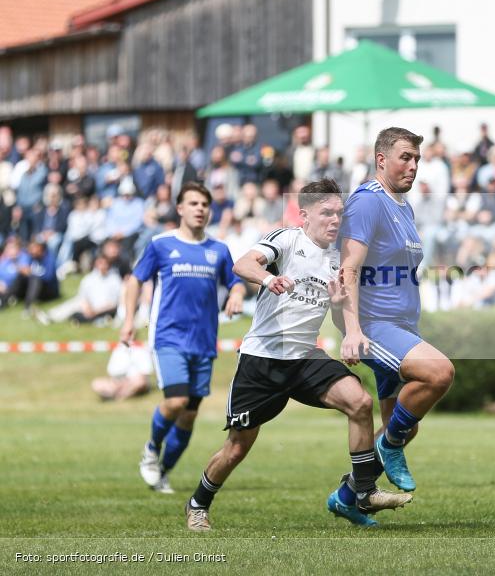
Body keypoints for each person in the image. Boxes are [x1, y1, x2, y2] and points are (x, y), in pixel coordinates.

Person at [184, 180, 411, 532]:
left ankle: (363, 489)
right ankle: (198, 503)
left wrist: (344, 319)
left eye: (339, 212)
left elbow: (341, 307)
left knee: (360, 402)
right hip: (263, 361)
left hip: (305, 358)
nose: (335, 219)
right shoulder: (288, 240)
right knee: (237, 447)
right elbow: (243, 264)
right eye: (327, 213)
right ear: (305, 215)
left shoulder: (339, 258)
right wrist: (267, 278)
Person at [339, 127, 455, 494]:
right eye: (405, 157)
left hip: (402, 325)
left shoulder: (404, 205)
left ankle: (348, 495)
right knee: (439, 373)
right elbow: (348, 269)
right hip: (374, 325)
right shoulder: (368, 201)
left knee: (407, 423)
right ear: (381, 160)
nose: (414, 165)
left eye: (417, 158)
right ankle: (389, 448)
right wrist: (353, 330)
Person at [120, 182, 246, 495]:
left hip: (203, 341)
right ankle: (151, 449)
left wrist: (237, 294)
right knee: (175, 401)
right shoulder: (160, 245)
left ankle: (162, 471)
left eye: (205, 204)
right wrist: (128, 322)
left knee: (189, 415)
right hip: (168, 337)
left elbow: (237, 281)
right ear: (180, 209)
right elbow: (135, 280)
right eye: (193, 203)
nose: (200, 209)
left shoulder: (218, 249)